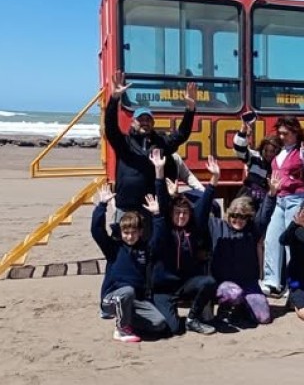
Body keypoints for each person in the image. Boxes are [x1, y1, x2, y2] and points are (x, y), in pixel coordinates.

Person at [105, 71, 196, 217]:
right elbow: (110, 127)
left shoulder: (161, 142)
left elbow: (181, 134)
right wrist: (114, 98)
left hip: (152, 207)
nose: (145, 123)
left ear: (153, 123)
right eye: (141, 119)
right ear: (133, 122)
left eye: (148, 120)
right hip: (126, 207)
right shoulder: (124, 143)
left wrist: (190, 110)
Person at [149, 150, 218, 335]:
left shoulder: (194, 227)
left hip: (186, 283)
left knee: (209, 282)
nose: (181, 216)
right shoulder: (165, 226)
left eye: (185, 213)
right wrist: (159, 171)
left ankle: (193, 318)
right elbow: (162, 200)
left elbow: (205, 203)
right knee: (173, 329)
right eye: (178, 213)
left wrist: (215, 178)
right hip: (164, 288)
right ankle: (159, 308)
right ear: (171, 214)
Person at [91, 184, 167, 343]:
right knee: (127, 291)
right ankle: (121, 329)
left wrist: (157, 215)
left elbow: (159, 241)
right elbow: (97, 231)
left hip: (135, 301)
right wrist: (102, 206)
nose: (130, 236)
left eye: (134, 233)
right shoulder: (114, 248)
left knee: (159, 324)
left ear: (140, 232)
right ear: (121, 232)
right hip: (111, 298)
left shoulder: (145, 249)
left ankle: (127, 320)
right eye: (126, 233)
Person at [261, 116, 304, 297]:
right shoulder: (280, 150)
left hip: (298, 199)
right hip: (280, 200)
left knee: (294, 244)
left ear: (295, 132)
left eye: (285, 133)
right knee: (272, 239)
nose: (281, 137)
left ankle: (293, 283)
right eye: (279, 133)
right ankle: (272, 281)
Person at [208, 172, 281, 326]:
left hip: (248, 283)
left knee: (264, 317)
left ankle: (242, 308)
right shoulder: (217, 226)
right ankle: (227, 309)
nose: (238, 220)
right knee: (234, 294)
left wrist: (272, 194)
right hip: (224, 284)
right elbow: (201, 213)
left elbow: (264, 215)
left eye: (243, 216)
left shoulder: (252, 231)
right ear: (228, 214)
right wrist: (212, 182)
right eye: (234, 215)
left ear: (248, 217)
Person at [233, 120, 282, 205]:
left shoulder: (279, 163)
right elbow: (239, 150)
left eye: (272, 151)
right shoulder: (254, 157)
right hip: (247, 196)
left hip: (266, 200)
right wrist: (242, 132)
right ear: (261, 149)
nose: (269, 154)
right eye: (266, 150)